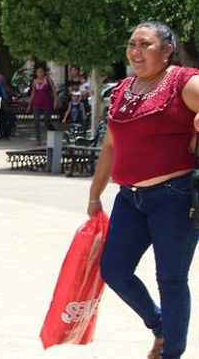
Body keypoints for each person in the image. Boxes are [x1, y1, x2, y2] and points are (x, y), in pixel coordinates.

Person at [87, 20, 199, 359]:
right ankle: (160, 325)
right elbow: (110, 146)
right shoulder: (123, 89)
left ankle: (172, 353)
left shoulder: (185, 81)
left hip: (175, 198)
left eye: (145, 45)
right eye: (132, 44)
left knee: (171, 279)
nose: (136, 51)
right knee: (114, 270)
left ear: (167, 51)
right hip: (129, 198)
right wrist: (95, 195)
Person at [26, 66, 58, 145]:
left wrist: (55, 101)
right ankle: (38, 139)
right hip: (36, 104)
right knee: (36, 121)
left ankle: (53, 131)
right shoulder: (35, 81)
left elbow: (54, 90)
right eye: (38, 72)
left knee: (47, 121)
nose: (40, 74)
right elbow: (33, 93)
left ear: (44, 72)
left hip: (46, 103)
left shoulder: (48, 79)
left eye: (41, 72)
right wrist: (30, 104)